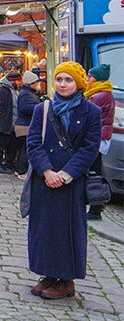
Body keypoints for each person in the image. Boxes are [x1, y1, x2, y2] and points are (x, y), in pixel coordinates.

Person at [27, 62, 101, 300]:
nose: (63, 84)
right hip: (45, 180)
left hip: (71, 183)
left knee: (66, 231)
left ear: (77, 83)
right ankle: (48, 273)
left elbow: (90, 148)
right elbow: (33, 144)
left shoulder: (91, 112)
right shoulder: (43, 109)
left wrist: (66, 174)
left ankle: (66, 280)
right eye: (59, 79)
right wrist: (47, 171)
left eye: (68, 80)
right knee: (44, 229)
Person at [84, 64, 114, 220]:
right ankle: (95, 206)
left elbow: (86, 115)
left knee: (94, 174)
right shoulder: (102, 92)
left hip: (96, 138)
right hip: (100, 137)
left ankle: (96, 207)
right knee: (94, 171)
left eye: (90, 76)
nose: (87, 78)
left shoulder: (98, 95)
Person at [0, 70, 21, 175]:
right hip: (0, 124)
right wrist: (1, 121)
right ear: (13, 81)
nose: (20, 83)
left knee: (11, 145)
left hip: (11, 124)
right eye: (18, 81)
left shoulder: (14, 90)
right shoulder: (1, 89)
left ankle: (8, 163)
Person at [14, 70, 43, 179]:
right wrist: (40, 107)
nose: (38, 85)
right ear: (31, 83)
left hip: (25, 125)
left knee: (24, 149)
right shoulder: (26, 94)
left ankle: (20, 169)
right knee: (25, 149)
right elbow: (24, 108)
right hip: (24, 126)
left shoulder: (28, 93)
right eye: (36, 83)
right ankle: (22, 171)